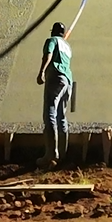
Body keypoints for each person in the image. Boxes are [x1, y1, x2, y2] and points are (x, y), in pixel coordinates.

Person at [35, 20, 74, 167]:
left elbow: (48, 55)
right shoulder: (67, 46)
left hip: (56, 77)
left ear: (52, 31)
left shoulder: (51, 40)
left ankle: (50, 155)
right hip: (68, 80)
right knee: (61, 117)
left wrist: (42, 72)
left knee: (49, 114)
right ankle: (62, 155)